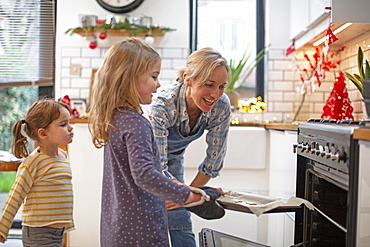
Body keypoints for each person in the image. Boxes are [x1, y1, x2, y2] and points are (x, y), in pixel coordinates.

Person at [88, 38, 222, 247]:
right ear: (130, 78)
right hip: (142, 230)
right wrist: (191, 197)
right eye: (153, 76)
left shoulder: (116, 119)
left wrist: (195, 193)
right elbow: (146, 174)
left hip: (117, 227)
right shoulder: (136, 123)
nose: (158, 84)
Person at [147, 47, 231, 246]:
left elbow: (213, 161)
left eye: (221, 86)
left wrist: (191, 197)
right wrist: (190, 195)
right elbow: (156, 167)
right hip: (145, 162)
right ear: (188, 79)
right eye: (209, 85)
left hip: (172, 159)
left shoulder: (221, 106)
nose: (215, 94)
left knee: (179, 218)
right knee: (150, 218)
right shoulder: (163, 105)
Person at [0, 98, 75, 246]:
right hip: (38, 234)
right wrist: (3, 227)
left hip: (58, 233)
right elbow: (16, 196)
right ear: (43, 133)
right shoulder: (34, 162)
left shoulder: (63, 155)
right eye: (63, 124)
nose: (71, 128)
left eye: (69, 123)